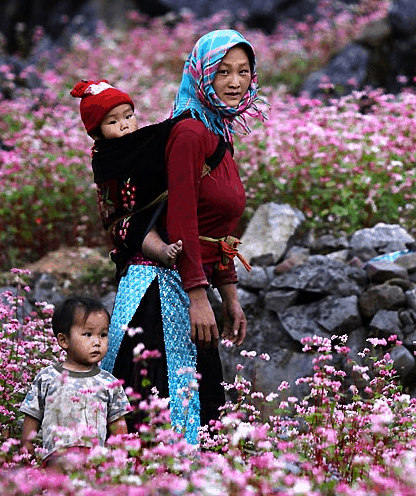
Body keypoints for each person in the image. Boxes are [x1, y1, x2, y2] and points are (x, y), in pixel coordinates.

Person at [100, 29, 268, 444]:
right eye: (222, 71)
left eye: (243, 71)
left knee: (199, 401)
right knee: (163, 407)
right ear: (200, 74)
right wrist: (198, 295)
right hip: (160, 289)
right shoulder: (190, 133)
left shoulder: (218, 131)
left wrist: (229, 296)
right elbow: (183, 220)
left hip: (188, 279)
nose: (234, 82)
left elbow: (217, 227)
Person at [71, 79, 183, 268]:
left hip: (156, 204)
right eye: (113, 121)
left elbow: (161, 133)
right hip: (125, 217)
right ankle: (162, 251)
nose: (124, 125)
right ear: (97, 133)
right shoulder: (105, 156)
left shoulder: (140, 140)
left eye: (129, 116)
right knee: (138, 230)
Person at [20, 296, 131, 472]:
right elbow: (32, 414)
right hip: (56, 458)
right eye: (88, 334)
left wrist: (120, 453)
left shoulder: (109, 382)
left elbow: (117, 421)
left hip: (95, 459)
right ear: (64, 340)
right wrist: (27, 443)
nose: (97, 342)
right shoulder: (47, 377)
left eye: (103, 334)